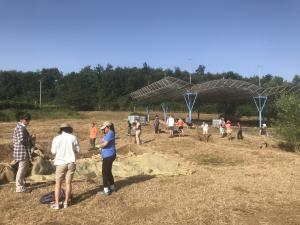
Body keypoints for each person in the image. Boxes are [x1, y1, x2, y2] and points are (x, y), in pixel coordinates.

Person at [51, 123, 80, 209]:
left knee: (58, 184)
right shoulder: (73, 137)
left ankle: (56, 204)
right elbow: (77, 150)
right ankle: (66, 203)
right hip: (71, 162)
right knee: (68, 183)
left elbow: (53, 152)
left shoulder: (56, 138)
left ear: (61, 130)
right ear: (69, 129)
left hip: (60, 163)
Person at [13, 113, 34, 193]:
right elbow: (22, 140)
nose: (28, 121)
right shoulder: (21, 128)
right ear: (21, 120)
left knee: (23, 169)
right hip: (22, 152)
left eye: (28, 119)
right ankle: (19, 187)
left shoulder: (20, 127)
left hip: (21, 152)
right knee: (21, 169)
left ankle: (22, 184)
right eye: (26, 119)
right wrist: (31, 138)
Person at [98, 121, 117, 196]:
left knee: (104, 172)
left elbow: (105, 144)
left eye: (104, 128)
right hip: (107, 155)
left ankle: (106, 190)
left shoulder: (110, 133)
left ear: (108, 127)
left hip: (109, 155)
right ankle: (112, 187)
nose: (103, 130)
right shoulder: (107, 133)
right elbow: (103, 141)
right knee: (108, 171)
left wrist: (98, 146)